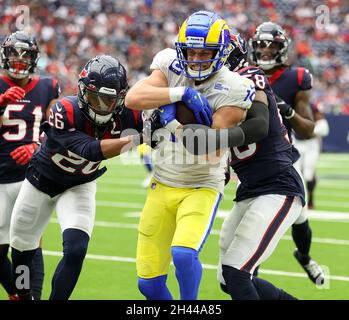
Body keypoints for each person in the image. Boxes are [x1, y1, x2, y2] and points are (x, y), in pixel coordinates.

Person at [125, 10, 255, 300]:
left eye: (203, 52)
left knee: (183, 254)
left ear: (221, 52)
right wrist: (178, 95)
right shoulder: (169, 63)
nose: (195, 59)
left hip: (202, 184)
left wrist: (170, 121)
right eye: (190, 52)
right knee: (148, 284)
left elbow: (212, 152)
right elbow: (133, 98)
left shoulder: (233, 86)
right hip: (162, 181)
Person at [9, 55, 145, 300]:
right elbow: (88, 149)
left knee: (76, 249)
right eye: (96, 98)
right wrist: (136, 138)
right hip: (41, 182)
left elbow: (159, 131)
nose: (102, 106)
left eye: (109, 100)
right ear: (82, 92)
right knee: (21, 248)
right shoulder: (65, 109)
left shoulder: (131, 116)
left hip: (79, 185)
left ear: (122, 98)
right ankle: (23, 294)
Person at [181, 31, 304, 299]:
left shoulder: (248, 76)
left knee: (237, 273)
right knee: (229, 278)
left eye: (209, 54)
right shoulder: (211, 91)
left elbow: (259, 125)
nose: (201, 61)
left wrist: (213, 139)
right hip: (250, 189)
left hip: (278, 186)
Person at [250, 21, 324, 285]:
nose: (265, 51)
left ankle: (304, 256)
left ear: (282, 49)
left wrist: (286, 110)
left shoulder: (296, 78)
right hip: (244, 163)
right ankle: (248, 280)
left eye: (271, 47)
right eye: (260, 45)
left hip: (281, 159)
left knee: (300, 218)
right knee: (250, 230)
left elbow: (308, 131)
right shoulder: (242, 75)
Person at [0, 31, 60, 300]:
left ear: (35, 58)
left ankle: (30, 296)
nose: (20, 60)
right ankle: (16, 293)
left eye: (25, 55)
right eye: (15, 54)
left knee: (29, 245)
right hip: (0, 177)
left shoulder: (48, 86)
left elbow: (60, 128)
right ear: (5, 55)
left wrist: (37, 146)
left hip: (32, 176)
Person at [294, 102, 329, 209]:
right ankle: (298, 198)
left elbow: (323, 128)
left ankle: (311, 199)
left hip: (311, 144)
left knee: (308, 173)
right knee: (296, 171)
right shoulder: (294, 106)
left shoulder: (314, 107)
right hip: (297, 142)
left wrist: (309, 130)